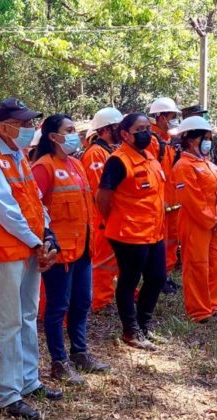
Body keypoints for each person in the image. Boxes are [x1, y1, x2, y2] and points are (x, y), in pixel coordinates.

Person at [0, 97, 61, 420]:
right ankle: (7, 393)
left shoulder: (18, 155)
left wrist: (47, 233)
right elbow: (5, 209)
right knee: (9, 320)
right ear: (4, 126)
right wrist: (37, 240)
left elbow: (35, 200)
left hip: (29, 245)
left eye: (29, 123)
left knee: (26, 315)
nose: (29, 128)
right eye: (23, 123)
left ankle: (28, 381)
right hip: (9, 248)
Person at [32, 114, 111, 384]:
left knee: (82, 302)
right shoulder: (43, 167)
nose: (75, 134)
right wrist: (45, 241)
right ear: (53, 137)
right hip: (60, 252)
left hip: (84, 249)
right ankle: (59, 362)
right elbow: (35, 209)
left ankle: (80, 352)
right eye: (69, 130)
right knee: (57, 307)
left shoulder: (77, 164)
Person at [97, 113, 167, 351]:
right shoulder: (118, 161)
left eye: (148, 127)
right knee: (129, 281)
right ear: (125, 134)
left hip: (154, 232)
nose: (146, 132)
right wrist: (113, 220)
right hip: (128, 234)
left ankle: (144, 326)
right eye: (140, 128)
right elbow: (103, 197)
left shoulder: (149, 157)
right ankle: (131, 331)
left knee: (157, 278)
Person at [172, 117, 217, 322]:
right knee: (197, 265)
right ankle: (198, 311)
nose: (208, 141)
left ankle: (212, 306)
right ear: (191, 140)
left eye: (209, 137)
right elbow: (190, 199)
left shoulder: (209, 164)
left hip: (215, 223)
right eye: (205, 137)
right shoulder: (183, 166)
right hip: (195, 223)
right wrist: (211, 220)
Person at [80, 107, 123, 314]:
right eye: (117, 127)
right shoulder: (96, 153)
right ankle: (101, 300)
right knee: (103, 260)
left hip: (111, 214)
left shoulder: (108, 150)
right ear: (106, 129)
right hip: (101, 215)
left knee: (113, 259)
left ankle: (109, 296)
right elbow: (100, 190)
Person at [147, 98, 181, 295]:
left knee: (171, 241)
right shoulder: (152, 140)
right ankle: (159, 278)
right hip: (160, 201)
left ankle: (166, 276)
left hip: (171, 201)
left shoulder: (166, 140)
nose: (175, 120)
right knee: (161, 242)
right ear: (160, 117)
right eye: (172, 116)